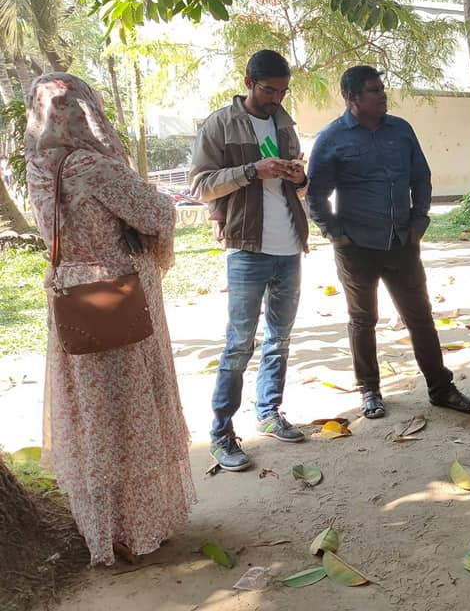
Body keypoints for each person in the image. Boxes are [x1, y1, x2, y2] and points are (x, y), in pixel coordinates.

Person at [24, 73, 196, 566]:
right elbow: (157, 213)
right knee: (130, 415)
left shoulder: (39, 167)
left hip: (71, 297)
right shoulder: (90, 167)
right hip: (118, 296)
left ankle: (104, 529)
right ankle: (135, 530)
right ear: (85, 112)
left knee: (92, 422)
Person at [306, 65, 470, 419]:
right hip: (357, 248)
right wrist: (335, 233)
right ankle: (369, 389)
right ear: (352, 99)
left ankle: (440, 387)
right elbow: (316, 194)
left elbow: (421, 178)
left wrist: (419, 221)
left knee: (420, 317)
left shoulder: (400, 130)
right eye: (374, 91)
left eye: (382, 89)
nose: (383, 96)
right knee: (363, 319)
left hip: (402, 242)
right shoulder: (332, 138)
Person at [190, 50, 309, 472]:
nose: (276, 98)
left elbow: (298, 184)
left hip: (289, 243)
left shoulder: (285, 123)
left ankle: (269, 412)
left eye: (282, 91)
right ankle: (222, 434)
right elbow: (200, 185)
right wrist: (251, 170)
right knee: (239, 343)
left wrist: (299, 176)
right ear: (248, 82)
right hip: (247, 247)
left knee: (280, 338)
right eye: (268, 90)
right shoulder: (221, 124)